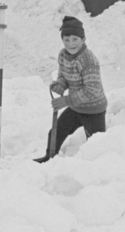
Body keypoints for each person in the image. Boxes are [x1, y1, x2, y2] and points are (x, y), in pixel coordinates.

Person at [36, 16, 107, 162]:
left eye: (75, 39)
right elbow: (63, 75)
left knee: (97, 145)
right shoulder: (63, 55)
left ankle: (96, 170)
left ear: (83, 39)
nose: (71, 44)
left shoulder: (88, 60)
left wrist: (66, 100)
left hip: (94, 109)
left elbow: (91, 90)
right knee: (56, 132)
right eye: (66, 39)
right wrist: (61, 84)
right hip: (76, 107)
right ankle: (49, 158)